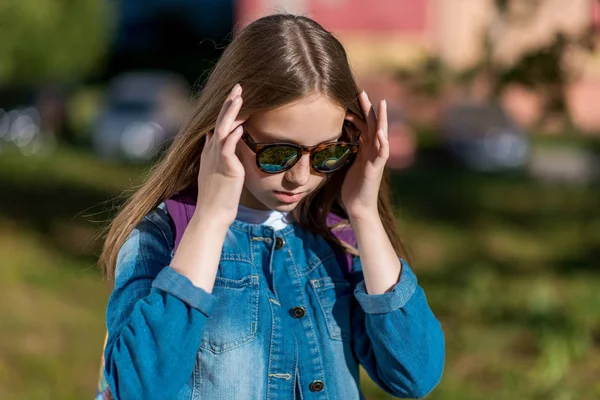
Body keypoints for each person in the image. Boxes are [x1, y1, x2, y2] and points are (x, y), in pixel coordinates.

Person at [97, 13, 445, 400]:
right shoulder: (164, 235)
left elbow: (416, 374)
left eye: (327, 152)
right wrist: (210, 220)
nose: (300, 176)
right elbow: (137, 387)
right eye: (278, 152)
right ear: (226, 129)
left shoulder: (339, 239)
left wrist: (363, 212)